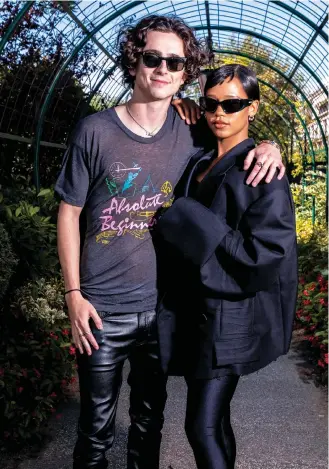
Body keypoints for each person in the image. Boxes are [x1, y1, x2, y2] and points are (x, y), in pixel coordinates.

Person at [55, 14, 285, 469]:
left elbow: (234, 131)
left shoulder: (193, 129)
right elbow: (69, 212)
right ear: (134, 61)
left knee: (148, 424)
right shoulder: (95, 131)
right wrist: (73, 294)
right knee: (95, 430)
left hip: (162, 310)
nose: (163, 69)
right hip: (102, 309)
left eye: (175, 62)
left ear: (185, 72)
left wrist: (269, 146)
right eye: (153, 57)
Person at [157, 64, 298, 469]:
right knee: (216, 421)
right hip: (196, 312)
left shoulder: (262, 171)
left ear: (252, 108)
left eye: (233, 104)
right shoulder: (200, 156)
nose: (221, 113)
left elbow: (267, 253)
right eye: (212, 104)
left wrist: (196, 224)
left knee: (200, 427)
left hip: (227, 319)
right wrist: (180, 102)